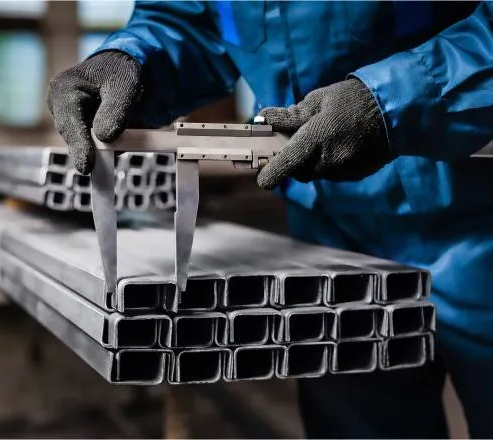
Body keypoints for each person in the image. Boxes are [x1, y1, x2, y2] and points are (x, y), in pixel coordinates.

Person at [47, 1, 493, 437]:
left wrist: (394, 101)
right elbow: (189, 19)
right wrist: (129, 59)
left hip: (476, 204)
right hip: (329, 229)